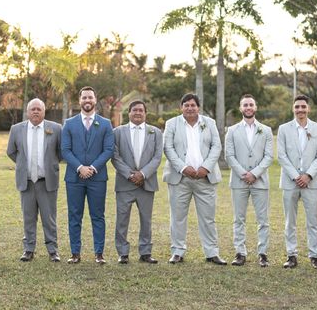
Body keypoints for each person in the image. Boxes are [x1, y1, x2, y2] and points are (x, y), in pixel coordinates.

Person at [163, 93, 226, 265]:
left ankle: (212, 252)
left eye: (193, 105)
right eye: (186, 105)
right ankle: (177, 251)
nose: (190, 108)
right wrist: (183, 168)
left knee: (208, 217)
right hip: (179, 178)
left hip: (205, 178)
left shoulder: (209, 123)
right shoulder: (172, 124)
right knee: (177, 216)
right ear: (181, 107)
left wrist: (206, 167)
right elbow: (168, 148)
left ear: (198, 107)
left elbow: (216, 146)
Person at [61, 86, 114, 264]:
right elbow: (65, 150)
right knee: (74, 215)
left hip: (97, 178)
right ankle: (75, 253)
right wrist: (79, 168)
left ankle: (99, 253)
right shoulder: (69, 124)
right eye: (84, 98)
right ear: (79, 100)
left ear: (95, 99)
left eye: (90, 97)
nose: (87, 101)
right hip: (74, 178)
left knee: (97, 215)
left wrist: (91, 167)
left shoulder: (105, 124)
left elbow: (108, 150)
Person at [6, 98, 62, 262]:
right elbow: (11, 151)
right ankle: (28, 249)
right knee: (28, 217)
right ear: (27, 112)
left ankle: (53, 250)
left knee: (49, 218)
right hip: (27, 181)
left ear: (44, 112)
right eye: (33, 109)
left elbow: (61, 151)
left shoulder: (56, 128)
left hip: (47, 182)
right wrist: (24, 164)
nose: (36, 112)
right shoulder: (16, 129)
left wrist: (50, 164)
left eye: (39, 109)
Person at [277, 94, 317, 269]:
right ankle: (291, 255)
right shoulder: (283, 129)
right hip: (290, 182)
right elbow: (281, 155)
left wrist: (308, 175)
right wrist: (295, 176)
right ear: (293, 109)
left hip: (311, 182)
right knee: (290, 220)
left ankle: (314, 255)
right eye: (297, 107)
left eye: (303, 107)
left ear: (308, 109)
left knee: (312, 220)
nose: (300, 110)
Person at [225, 93, 274, 267]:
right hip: (239, 181)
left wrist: (255, 173)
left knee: (263, 220)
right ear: (240, 108)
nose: (248, 108)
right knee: (239, 218)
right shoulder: (231, 131)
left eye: (251, 105)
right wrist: (243, 174)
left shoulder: (266, 130)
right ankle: (240, 252)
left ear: (256, 107)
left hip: (260, 181)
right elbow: (229, 155)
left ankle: (263, 253)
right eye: (245, 105)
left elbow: (269, 156)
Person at [112, 100, 163, 264]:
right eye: (134, 110)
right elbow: (115, 156)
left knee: (146, 219)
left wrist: (142, 174)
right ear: (129, 113)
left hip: (146, 184)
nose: (138, 113)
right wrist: (129, 174)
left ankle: (145, 252)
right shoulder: (118, 132)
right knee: (122, 219)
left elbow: (157, 157)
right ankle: (123, 253)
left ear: (145, 113)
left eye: (141, 110)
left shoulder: (155, 132)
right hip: (124, 183)